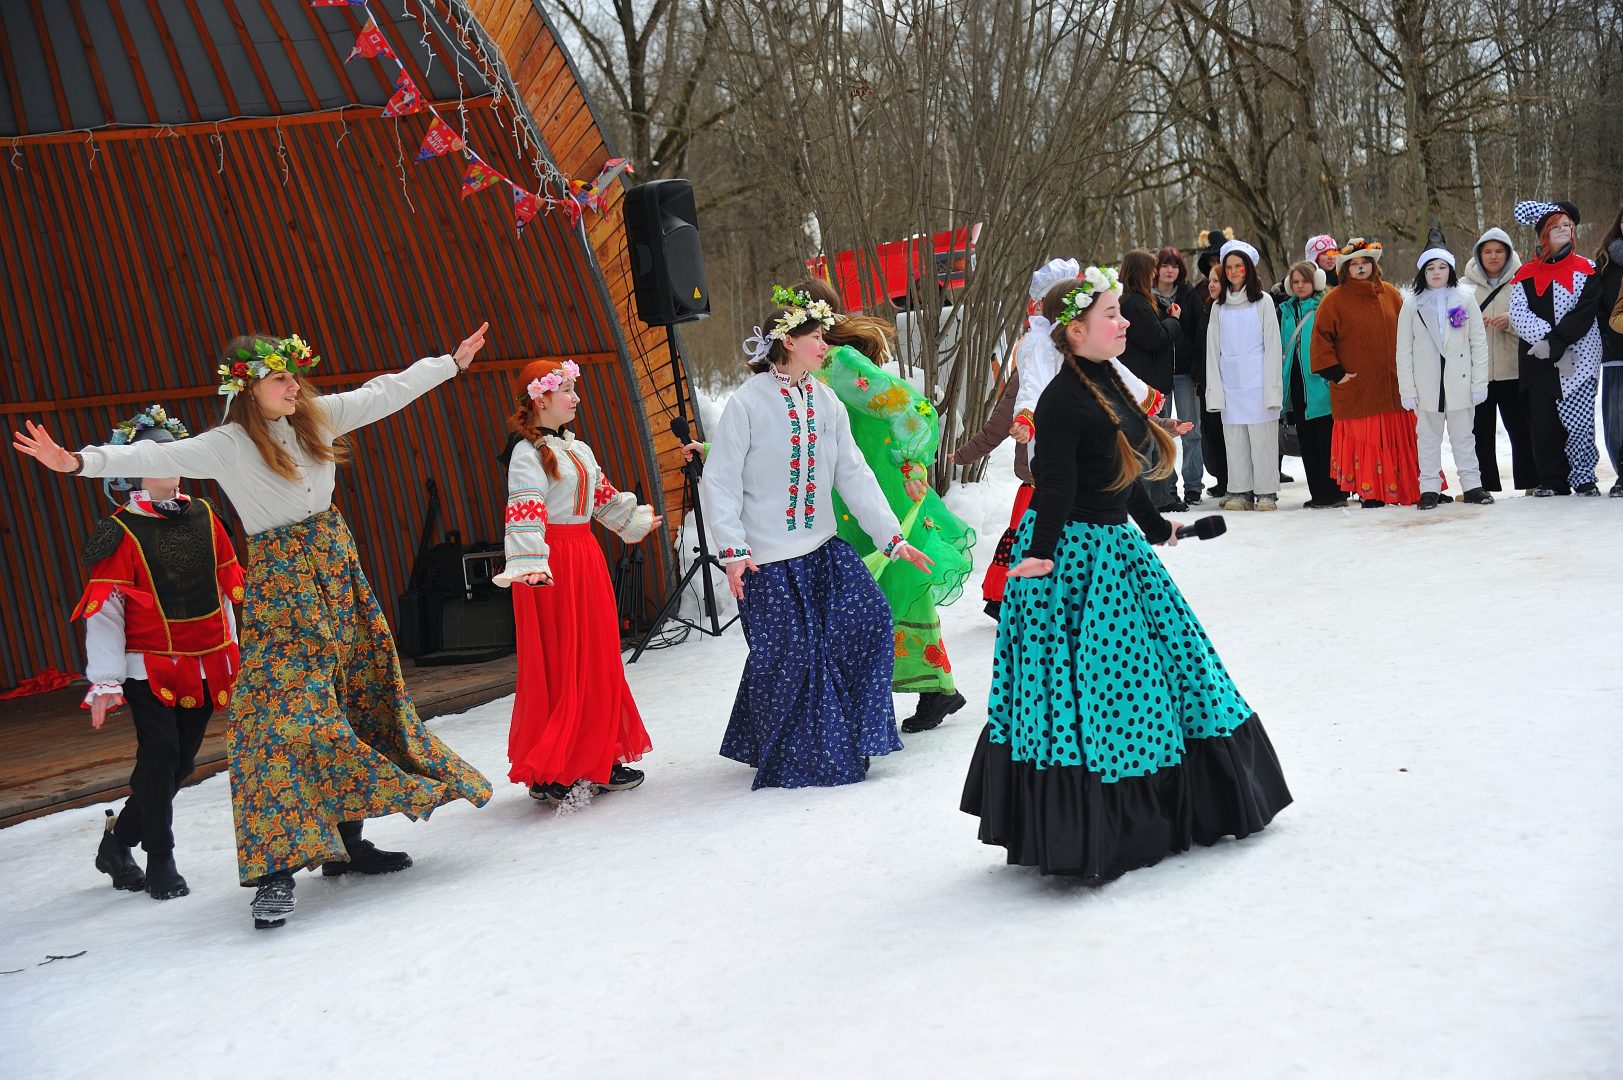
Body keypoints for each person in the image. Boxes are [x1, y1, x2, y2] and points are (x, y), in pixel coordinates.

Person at [14, 327, 495, 929]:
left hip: (337, 571)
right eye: (280, 378)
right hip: (285, 586)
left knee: (353, 700)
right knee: (278, 722)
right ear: (248, 388)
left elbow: (384, 392)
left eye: (294, 375)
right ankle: (276, 870)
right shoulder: (229, 444)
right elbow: (156, 457)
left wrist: (450, 363)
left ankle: (346, 843)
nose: (294, 386)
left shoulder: (317, 416)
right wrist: (77, 462)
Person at [960, 267, 1292, 881]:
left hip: (1116, 546)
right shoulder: (1061, 399)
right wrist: (1043, 553)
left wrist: (1156, 527)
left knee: (1168, 671)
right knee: (1102, 687)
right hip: (1074, 560)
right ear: (1074, 331)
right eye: (1110, 315)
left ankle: (1177, 806)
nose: (1123, 323)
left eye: (1119, 312)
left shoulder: (1107, 378)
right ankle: (1101, 825)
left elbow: (1123, 466)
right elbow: (1055, 484)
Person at [700, 293, 934, 789]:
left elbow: (853, 472)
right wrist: (734, 552)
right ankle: (798, 754)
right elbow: (719, 481)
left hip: (823, 549)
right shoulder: (747, 403)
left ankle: (851, 737)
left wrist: (891, 537)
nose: (825, 345)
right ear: (788, 342)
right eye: (816, 337)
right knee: (792, 656)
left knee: (870, 620)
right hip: (767, 561)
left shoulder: (826, 400)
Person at [790, 279, 975, 733]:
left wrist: (912, 461)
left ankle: (931, 688)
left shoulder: (838, 362)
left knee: (892, 579)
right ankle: (917, 689)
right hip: (840, 497)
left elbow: (910, 406)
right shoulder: (800, 370)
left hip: (875, 487)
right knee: (865, 587)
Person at [76, 405, 242, 901]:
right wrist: (105, 679)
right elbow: (104, 610)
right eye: (152, 454)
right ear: (131, 467)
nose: (167, 461)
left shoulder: (207, 515)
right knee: (161, 753)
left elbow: (224, 590)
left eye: (172, 452)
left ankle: (118, 842)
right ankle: (160, 858)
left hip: (207, 661)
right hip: (146, 667)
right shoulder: (119, 530)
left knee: (180, 763)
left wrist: (233, 652)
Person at [493, 358, 661, 805]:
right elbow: (524, 512)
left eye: (573, 388)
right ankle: (554, 766)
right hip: (548, 565)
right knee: (560, 662)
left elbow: (601, 497)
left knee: (596, 657)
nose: (575, 397)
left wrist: (634, 520)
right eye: (566, 390)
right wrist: (531, 565)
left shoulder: (578, 448)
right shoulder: (526, 454)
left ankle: (597, 754)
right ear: (540, 398)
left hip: (585, 556)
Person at [1310, 237, 1420, 507]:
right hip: (1358, 390)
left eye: (1364, 262)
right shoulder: (1333, 300)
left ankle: (1407, 487)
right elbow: (1321, 340)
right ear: (1344, 270)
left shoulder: (1391, 293)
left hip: (1392, 386)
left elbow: (1409, 332)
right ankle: (1371, 492)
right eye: (1353, 264)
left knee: (1398, 439)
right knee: (1367, 441)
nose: (1360, 267)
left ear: (1373, 265)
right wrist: (1336, 373)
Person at [1508, 200, 1605, 496]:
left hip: (1579, 357)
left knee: (1579, 424)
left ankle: (1584, 477)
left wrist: (1557, 342)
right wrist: (1548, 343)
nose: (1564, 230)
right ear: (1543, 234)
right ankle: (1552, 480)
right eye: (1556, 227)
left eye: (1567, 226)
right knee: (1544, 424)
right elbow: (1518, 313)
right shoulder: (1524, 274)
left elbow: (1585, 311)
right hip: (1539, 360)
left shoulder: (1587, 269)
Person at [1395, 231, 1494, 508]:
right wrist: (1407, 389)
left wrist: (1479, 383)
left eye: (1442, 267)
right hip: (1426, 384)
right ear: (1422, 272)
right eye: (1430, 268)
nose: (1436, 273)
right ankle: (1429, 488)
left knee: (1464, 437)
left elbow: (1478, 342)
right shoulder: (1411, 305)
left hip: (1459, 382)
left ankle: (1472, 485)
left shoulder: (1464, 299)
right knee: (1427, 439)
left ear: (1450, 269)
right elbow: (1403, 350)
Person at [948, 363, 1032, 620]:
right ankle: (1017, 603)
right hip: (1039, 488)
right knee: (1030, 544)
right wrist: (964, 455)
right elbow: (999, 424)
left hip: (1080, 487)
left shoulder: (1094, 364)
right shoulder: (1029, 372)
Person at [1205, 239, 1283, 511]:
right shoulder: (1219, 307)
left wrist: (1272, 387)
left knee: (1262, 439)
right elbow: (1213, 350)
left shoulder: (1263, 302)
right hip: (1231, 382)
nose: (1233, 272)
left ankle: (1266, 491)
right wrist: (1215, 388)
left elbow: (1273, 346)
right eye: (1228, 267)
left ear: (1248, 269)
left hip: (1259, 381)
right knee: (1235, 438)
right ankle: (1240, 489)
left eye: (1239, 266)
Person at [1460, 227, 1534, 493]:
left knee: (1522, 428)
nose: (1493, 256)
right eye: (1488, 251)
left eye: (1499, 251)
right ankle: (1484, 485)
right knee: (1480, 431)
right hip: (1478, 372)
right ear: (1479, 255)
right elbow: (1452, 322)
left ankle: (1531, 481)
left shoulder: (1523, 280)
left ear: (1508, 253)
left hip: (1513, 368)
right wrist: (1471, 324)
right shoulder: (1463, 286)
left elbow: (1536, 319)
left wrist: (1511, 321)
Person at [1119, 248, 1186, 511]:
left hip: (1149, 382)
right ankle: (1153, 501)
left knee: (1157, 443)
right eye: (1151, 269)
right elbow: (1154, 337)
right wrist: (1174, 321)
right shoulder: (1134, 303)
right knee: (1150, 445)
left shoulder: (1137, 301)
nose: (1155, 274)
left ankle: (1162, 497)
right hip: (1146, 385)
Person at [1278, 261, 1343, 507]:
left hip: (1320, 382)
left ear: (1315, 281)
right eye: (1295, 282)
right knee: (1307, 441)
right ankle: (1318, 494)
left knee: (1327, 441)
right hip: (1296, 383)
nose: (1300, 285)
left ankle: (1336, 493)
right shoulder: (1286, 310)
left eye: (1304, 280)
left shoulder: (1324, 306)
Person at [1155, 247, 1207, 505]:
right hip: (1158, 373)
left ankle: (1194, 485)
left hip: (1186, 372)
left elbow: (1199, 330)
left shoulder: (1188, 293)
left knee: (1191, 429)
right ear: (1156, 269)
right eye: (1165, 265)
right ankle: (1167, 485)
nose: (1170, 270)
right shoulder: (1147, 297)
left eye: (1174, 266)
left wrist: (1197, 367)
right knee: (1162, 432)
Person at [1193, 227, 1232, 497]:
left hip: (1229, 376)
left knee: (1229, 429)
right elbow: (1197, 338)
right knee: (1211, 430)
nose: (1215, 263)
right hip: (1206, 376)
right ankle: (1221, 477)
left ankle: (1236, 478)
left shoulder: (1238, 298)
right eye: (1212, 260)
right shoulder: (1201, 294)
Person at [1591, 204, 1623, 496]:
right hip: (1616, 352)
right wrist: (1606, 336)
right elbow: (1596, 306)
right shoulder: (1604, 261)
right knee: (1617, 420)